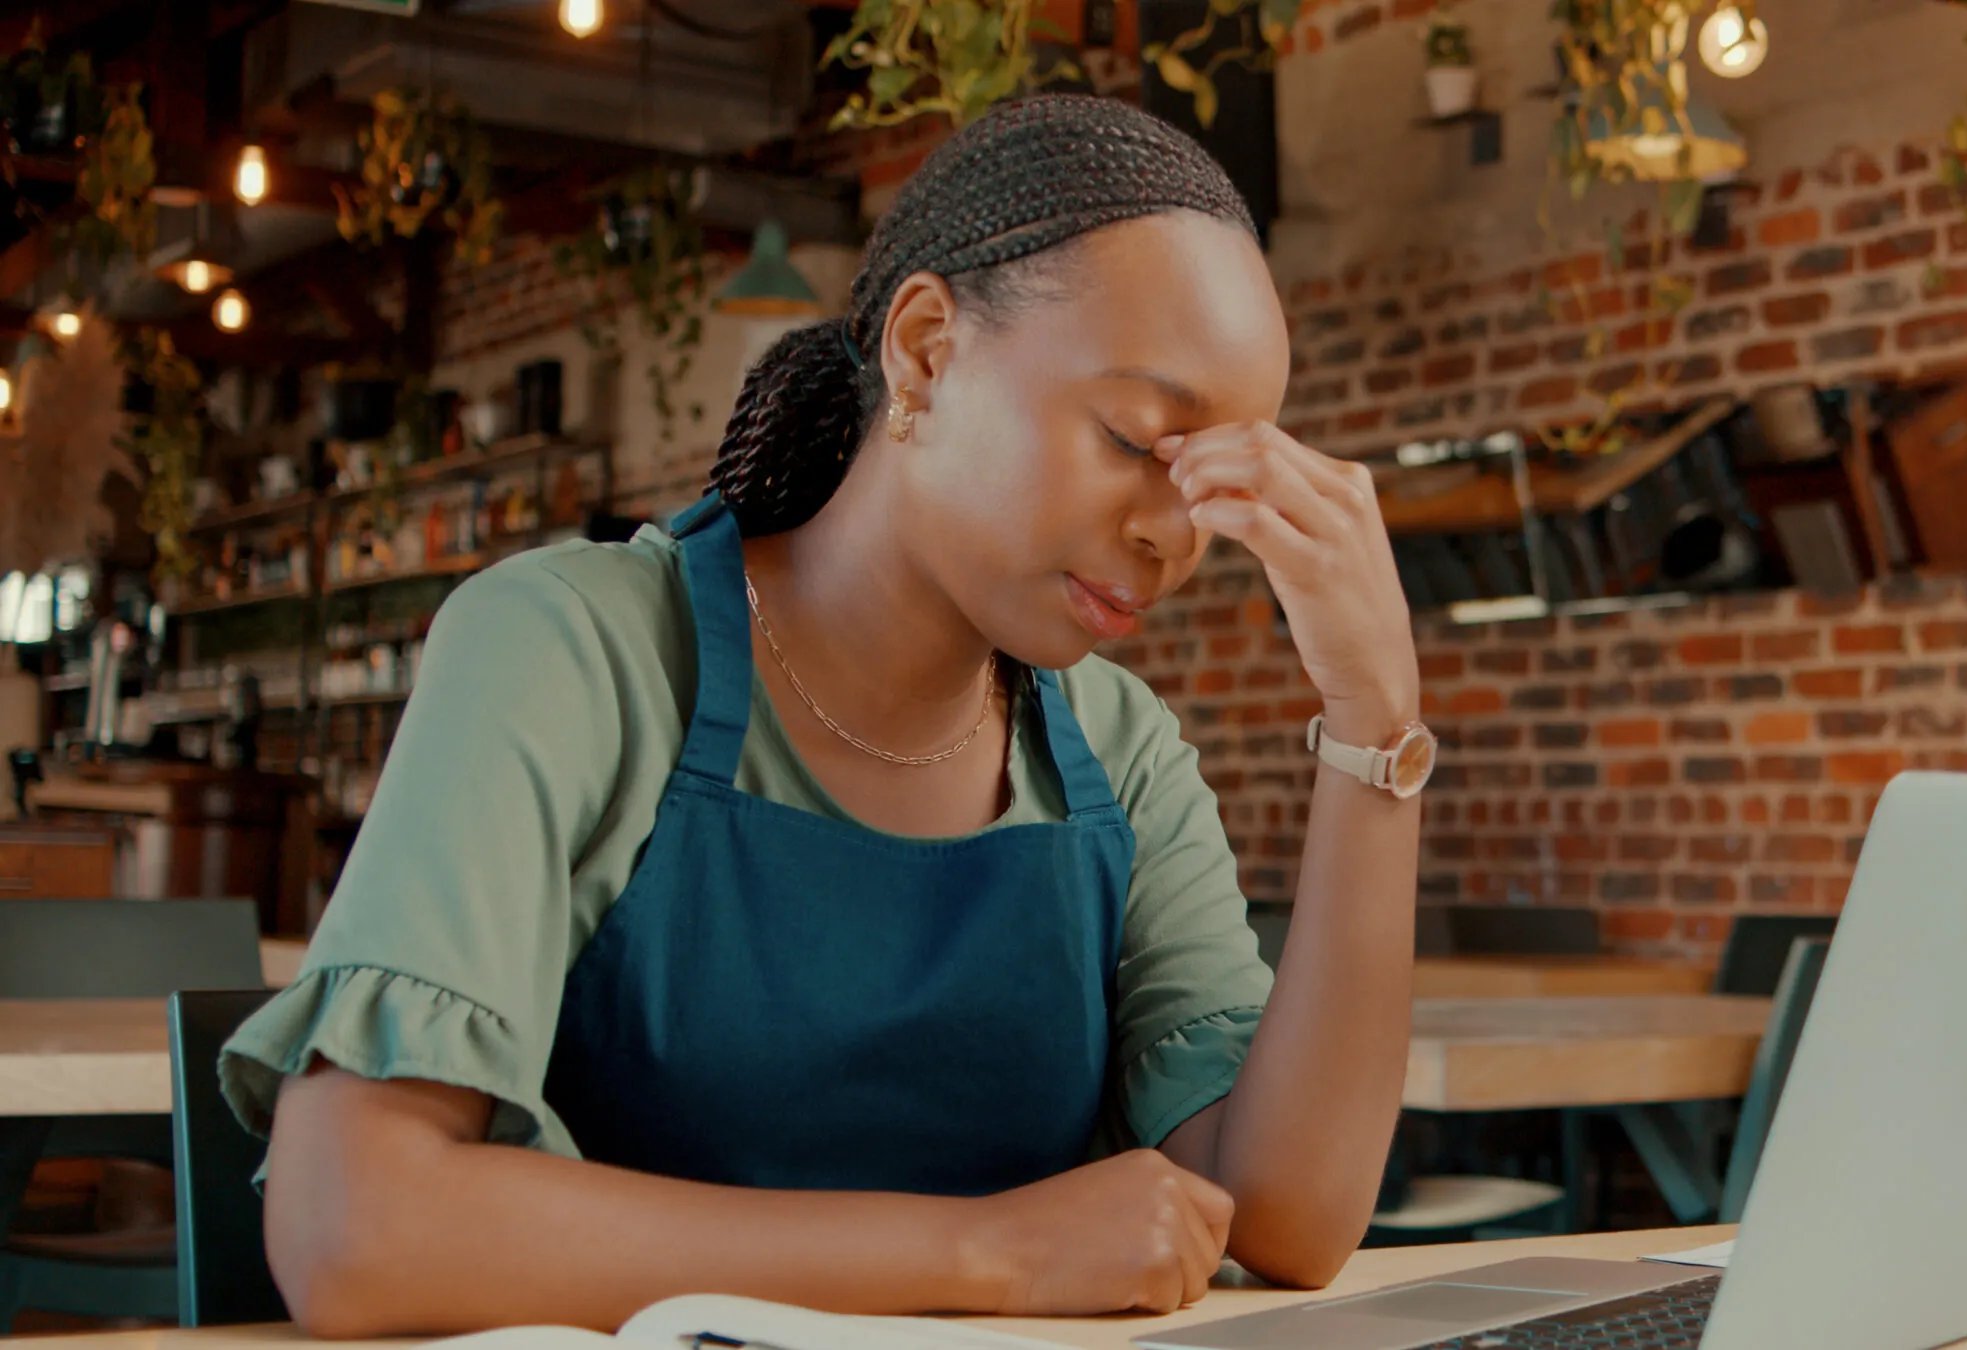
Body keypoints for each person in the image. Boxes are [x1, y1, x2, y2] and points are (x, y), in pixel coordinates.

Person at [221, 94, 1430, 1336]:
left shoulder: (1117, 755)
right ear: (921, 349)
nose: (1173, 537)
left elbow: (1285, 1216)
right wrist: (987, 1251)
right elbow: (356, 1227)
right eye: (1134, 438)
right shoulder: (575, 651)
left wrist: (1373, 721)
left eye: (1214, 480)